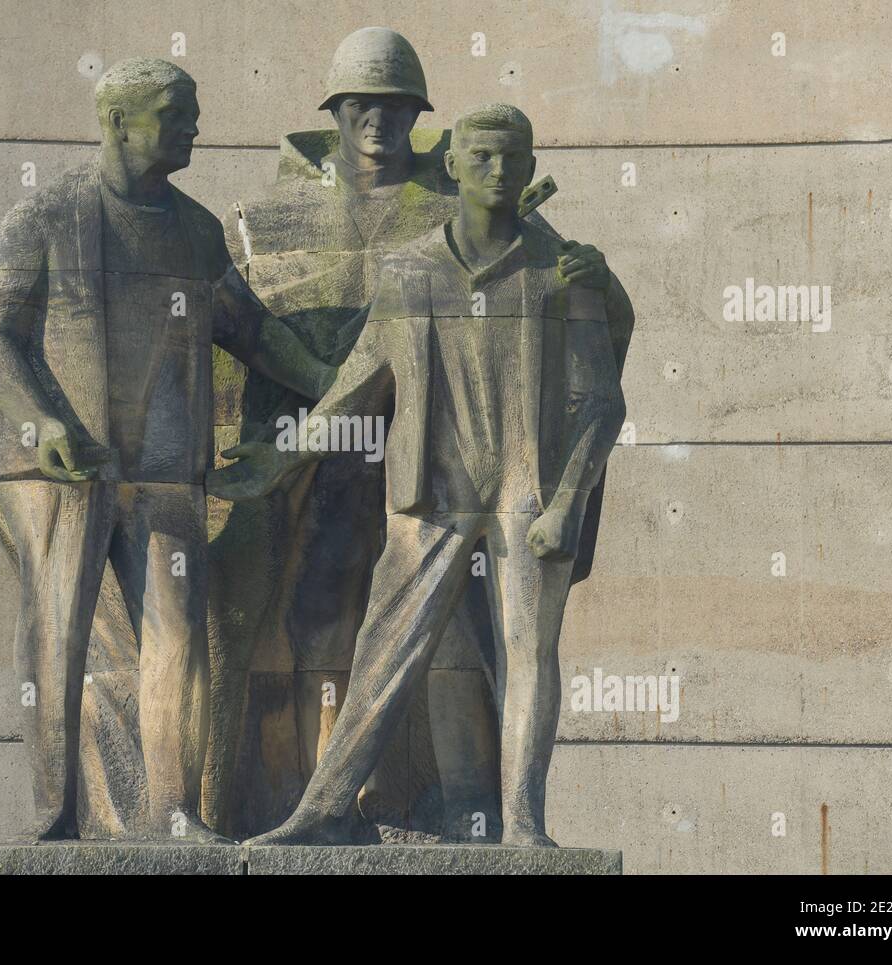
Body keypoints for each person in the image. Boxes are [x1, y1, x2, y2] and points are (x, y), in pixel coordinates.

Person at [209, 104, 628, 846]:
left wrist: (567, 502)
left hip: (528, 498)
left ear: (531, 168)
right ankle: (324, 808)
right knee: (383, 645)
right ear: (456, 167)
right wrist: (284, 456)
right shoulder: (412, 271)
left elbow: (600, 400)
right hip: (431, 494)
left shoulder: (563, 272)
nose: (500, 171)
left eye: (514, 158)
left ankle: (526, 822)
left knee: (529, 652)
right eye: (484, 157)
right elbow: (354, 384)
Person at [0, 57, 334, 841]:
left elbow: (253, 331)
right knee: (55, 636)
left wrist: (337, 382)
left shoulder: (196, 232)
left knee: (178, 641)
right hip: (60, 468)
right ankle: (53, 817)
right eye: (176, 112)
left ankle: (170, 811)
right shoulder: (47, 215)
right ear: (118, 121)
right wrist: (42, 421)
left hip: (165, 472)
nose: (193, 126)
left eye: (192, 111)